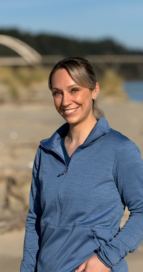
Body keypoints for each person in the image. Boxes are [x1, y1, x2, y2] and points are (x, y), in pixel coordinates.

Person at [20, 57, 143, 272]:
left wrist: (106, 259)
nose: (65, 101)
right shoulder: (46, 151)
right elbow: (35, 219)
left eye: (74, 90)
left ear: (94, 90)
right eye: (57, 92)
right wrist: (28, 268)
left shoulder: (120, 149)